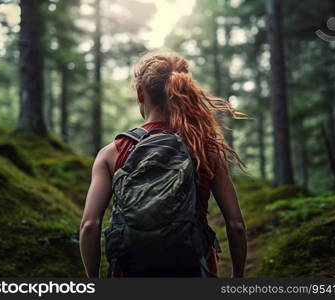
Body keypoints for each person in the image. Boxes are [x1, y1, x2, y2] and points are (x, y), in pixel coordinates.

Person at [79, 50, 248, 278]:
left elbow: (90, 225)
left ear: (140, 93)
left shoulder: (112, 153)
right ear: (182, 90)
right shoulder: (203, 148)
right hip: (194, 271)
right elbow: (236, 225)